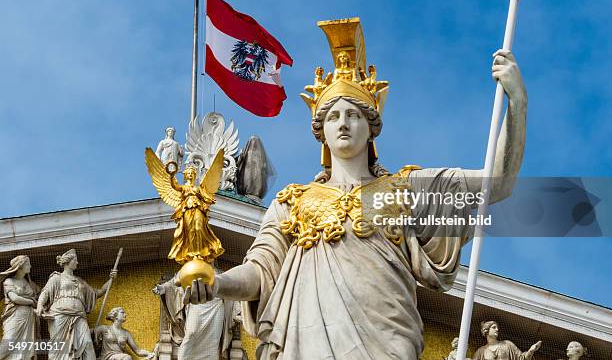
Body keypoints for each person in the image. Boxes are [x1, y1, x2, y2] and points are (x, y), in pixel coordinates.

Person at [184, 20, 528, 359]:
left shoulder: (406, 189)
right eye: (333, 117)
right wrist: (217, 283)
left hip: (387, 338)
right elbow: (261, 271)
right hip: (307, 342)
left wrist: (517, 104)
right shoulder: (293, 202)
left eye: (354, 115)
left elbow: (497, 182)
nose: (344, 124)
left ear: (371, 127)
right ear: (321, 131)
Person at [36, 249, 116, 360]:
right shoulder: (56, 278)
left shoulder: (80, 281)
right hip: (60, 315)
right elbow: (45, 293)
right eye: (75, 260)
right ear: (68, 262)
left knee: (87, 342)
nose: (77, 263)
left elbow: (98, 292)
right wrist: (40, 305)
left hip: (79, 316)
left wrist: (111, 280)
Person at [0, 255, 39, 360]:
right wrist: (31, 301)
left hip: (28, 316)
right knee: (9, 341)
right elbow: (15, 298)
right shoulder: (8, 281)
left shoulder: (30, 284)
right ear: (20, 266)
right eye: (27, 264)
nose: (30, 266)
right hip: (15, 315)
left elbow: (42, 294)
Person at [472, 321, 541, 360]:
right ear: (486, 331)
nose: (497, 329)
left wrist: (531, 351)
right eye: (494, 327)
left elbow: (521, 358)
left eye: (497, 328)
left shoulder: (507, 344)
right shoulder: (481, 351)